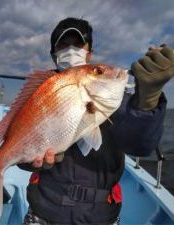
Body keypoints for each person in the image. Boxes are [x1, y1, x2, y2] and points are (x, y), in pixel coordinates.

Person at [19, 17, 174, 225]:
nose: (71, 50)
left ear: (89, 52)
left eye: (78, 44)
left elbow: (140, 145)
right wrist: (33, 162)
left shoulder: (111, 96)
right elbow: (21, 149)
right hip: (44, 210)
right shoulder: (39, 94)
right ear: (53, 54)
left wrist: (148, 98)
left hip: (99, 217)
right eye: (63, 45)